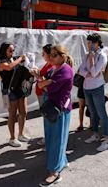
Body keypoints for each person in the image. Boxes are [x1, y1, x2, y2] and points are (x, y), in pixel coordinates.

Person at [37, 45, 73, 186]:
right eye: (50, 55)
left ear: (62, 56)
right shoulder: (55, 69)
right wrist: (43, 81)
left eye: (53, 55)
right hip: (52, 108)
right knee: (53, 139)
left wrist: (44, 82)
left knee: (56, 140)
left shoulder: (65, 70)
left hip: (59, 110)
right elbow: (43, 84)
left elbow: (46, 86)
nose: (50, 57)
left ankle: (55, 173)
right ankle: (61, 162)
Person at [80, 33, 108, 152]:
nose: (88, 45)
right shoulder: (87, 55)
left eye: (91, 43)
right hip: (86, 87)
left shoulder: (102, 56)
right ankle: (95, 134)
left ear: (97, 43)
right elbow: (80, 70)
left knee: (101, 113)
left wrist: (92, 61)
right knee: (92, 112)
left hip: (97, 87)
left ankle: (106, 139)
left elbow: (93, 72)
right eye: (88, 43)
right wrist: (88, 73)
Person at [0, 43, 29, 147]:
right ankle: (12, 138)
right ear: (4, 51)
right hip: (10, 90)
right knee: (12, 114)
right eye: (10, 51)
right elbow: (9, 67)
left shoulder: (13, 59)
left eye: (13, 50)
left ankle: (21, 134)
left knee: (23, 112)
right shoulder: (2, 63)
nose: (12, 53)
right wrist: (20, 59)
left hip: (19, 88)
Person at [35, 44, 53, 146]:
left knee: (47, 117)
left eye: (44, 53)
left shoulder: (51, 65)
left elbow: (45, 80)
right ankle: (47, 137)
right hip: (41, 93)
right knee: (46, 117)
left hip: (44, 93)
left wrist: (36, 75)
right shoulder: (47, 64)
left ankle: (48, 139)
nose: (42, 55)